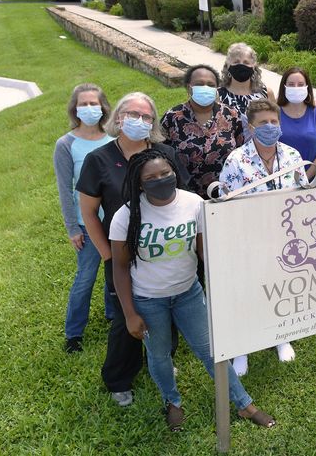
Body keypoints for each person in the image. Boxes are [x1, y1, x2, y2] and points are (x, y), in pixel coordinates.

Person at [110, 149, 275, 431]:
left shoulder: (193, 203)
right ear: (139, 183)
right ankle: (172, 402)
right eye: (151, 178)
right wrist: (129, 313)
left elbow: (203, 251)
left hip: (188, 293)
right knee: (159, 355)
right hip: (149, 300)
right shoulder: (126, 216)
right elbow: (121, 268)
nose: (160, 180)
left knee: (212, 352)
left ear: (174, 172)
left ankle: (244, 404)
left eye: (165, 174)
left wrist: (228, 279)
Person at [77, 92, 187, 407]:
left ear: (153, 123)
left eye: (146, 116)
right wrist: (108, 256)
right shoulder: (98, 159)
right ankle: (119, 379)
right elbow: (89, 213)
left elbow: (182, 198)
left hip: (166, 250)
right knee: (128, 319)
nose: (139, 121)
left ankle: (162, 362)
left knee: (168, 310)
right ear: (119, 118)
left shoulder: (165, 154)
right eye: (132, 114)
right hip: (122, 255)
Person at [219, 99, 306, 371]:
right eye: (263, 123)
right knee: (247, 291)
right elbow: (224, 204)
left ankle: (280, 337)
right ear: (250, 127)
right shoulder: (236, 160)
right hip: (247, 239)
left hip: (285, 239)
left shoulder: (292, 155)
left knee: (280, 289)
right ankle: (243, 349)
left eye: (274, 122)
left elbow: (304, 193)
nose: (270, 127)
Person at [54, 84, 114, 353]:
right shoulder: (66, 144)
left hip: (115, 221)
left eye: (94, 103)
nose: (90, 108)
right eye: (84, 104)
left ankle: (114, 315)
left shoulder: (113, 138)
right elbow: (65, 190)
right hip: (86, 225)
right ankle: (74, 333)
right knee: (86, 277)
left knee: (116, 272)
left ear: (103, 108)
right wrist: (72, 228)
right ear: (75, 109)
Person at [161, 64, 244, 199]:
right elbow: (162, 154)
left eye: (210, 85)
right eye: (199, 83)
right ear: (189, 87)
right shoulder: (172, 117)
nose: (205, 87)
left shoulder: (231, 115)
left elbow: (240, 150)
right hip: (185, 196)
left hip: (226, 194)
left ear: (217, 88)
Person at [277, 67, 316, 179]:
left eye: (300, 84)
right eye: (291, 84)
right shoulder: (274, 114)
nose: (296, 88)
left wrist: (306, 176)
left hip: (311, 181)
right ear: (284, 87)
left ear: (307, 87)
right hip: (280, 179)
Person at [218, 42, 276, 140]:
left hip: (261, 150)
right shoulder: (218, 95)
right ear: (228, 66)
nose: (241, 66)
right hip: (229, 152)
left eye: (246, 62)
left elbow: (275, 125)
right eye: (236, 62)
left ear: (253, 66)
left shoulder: (266, 93)